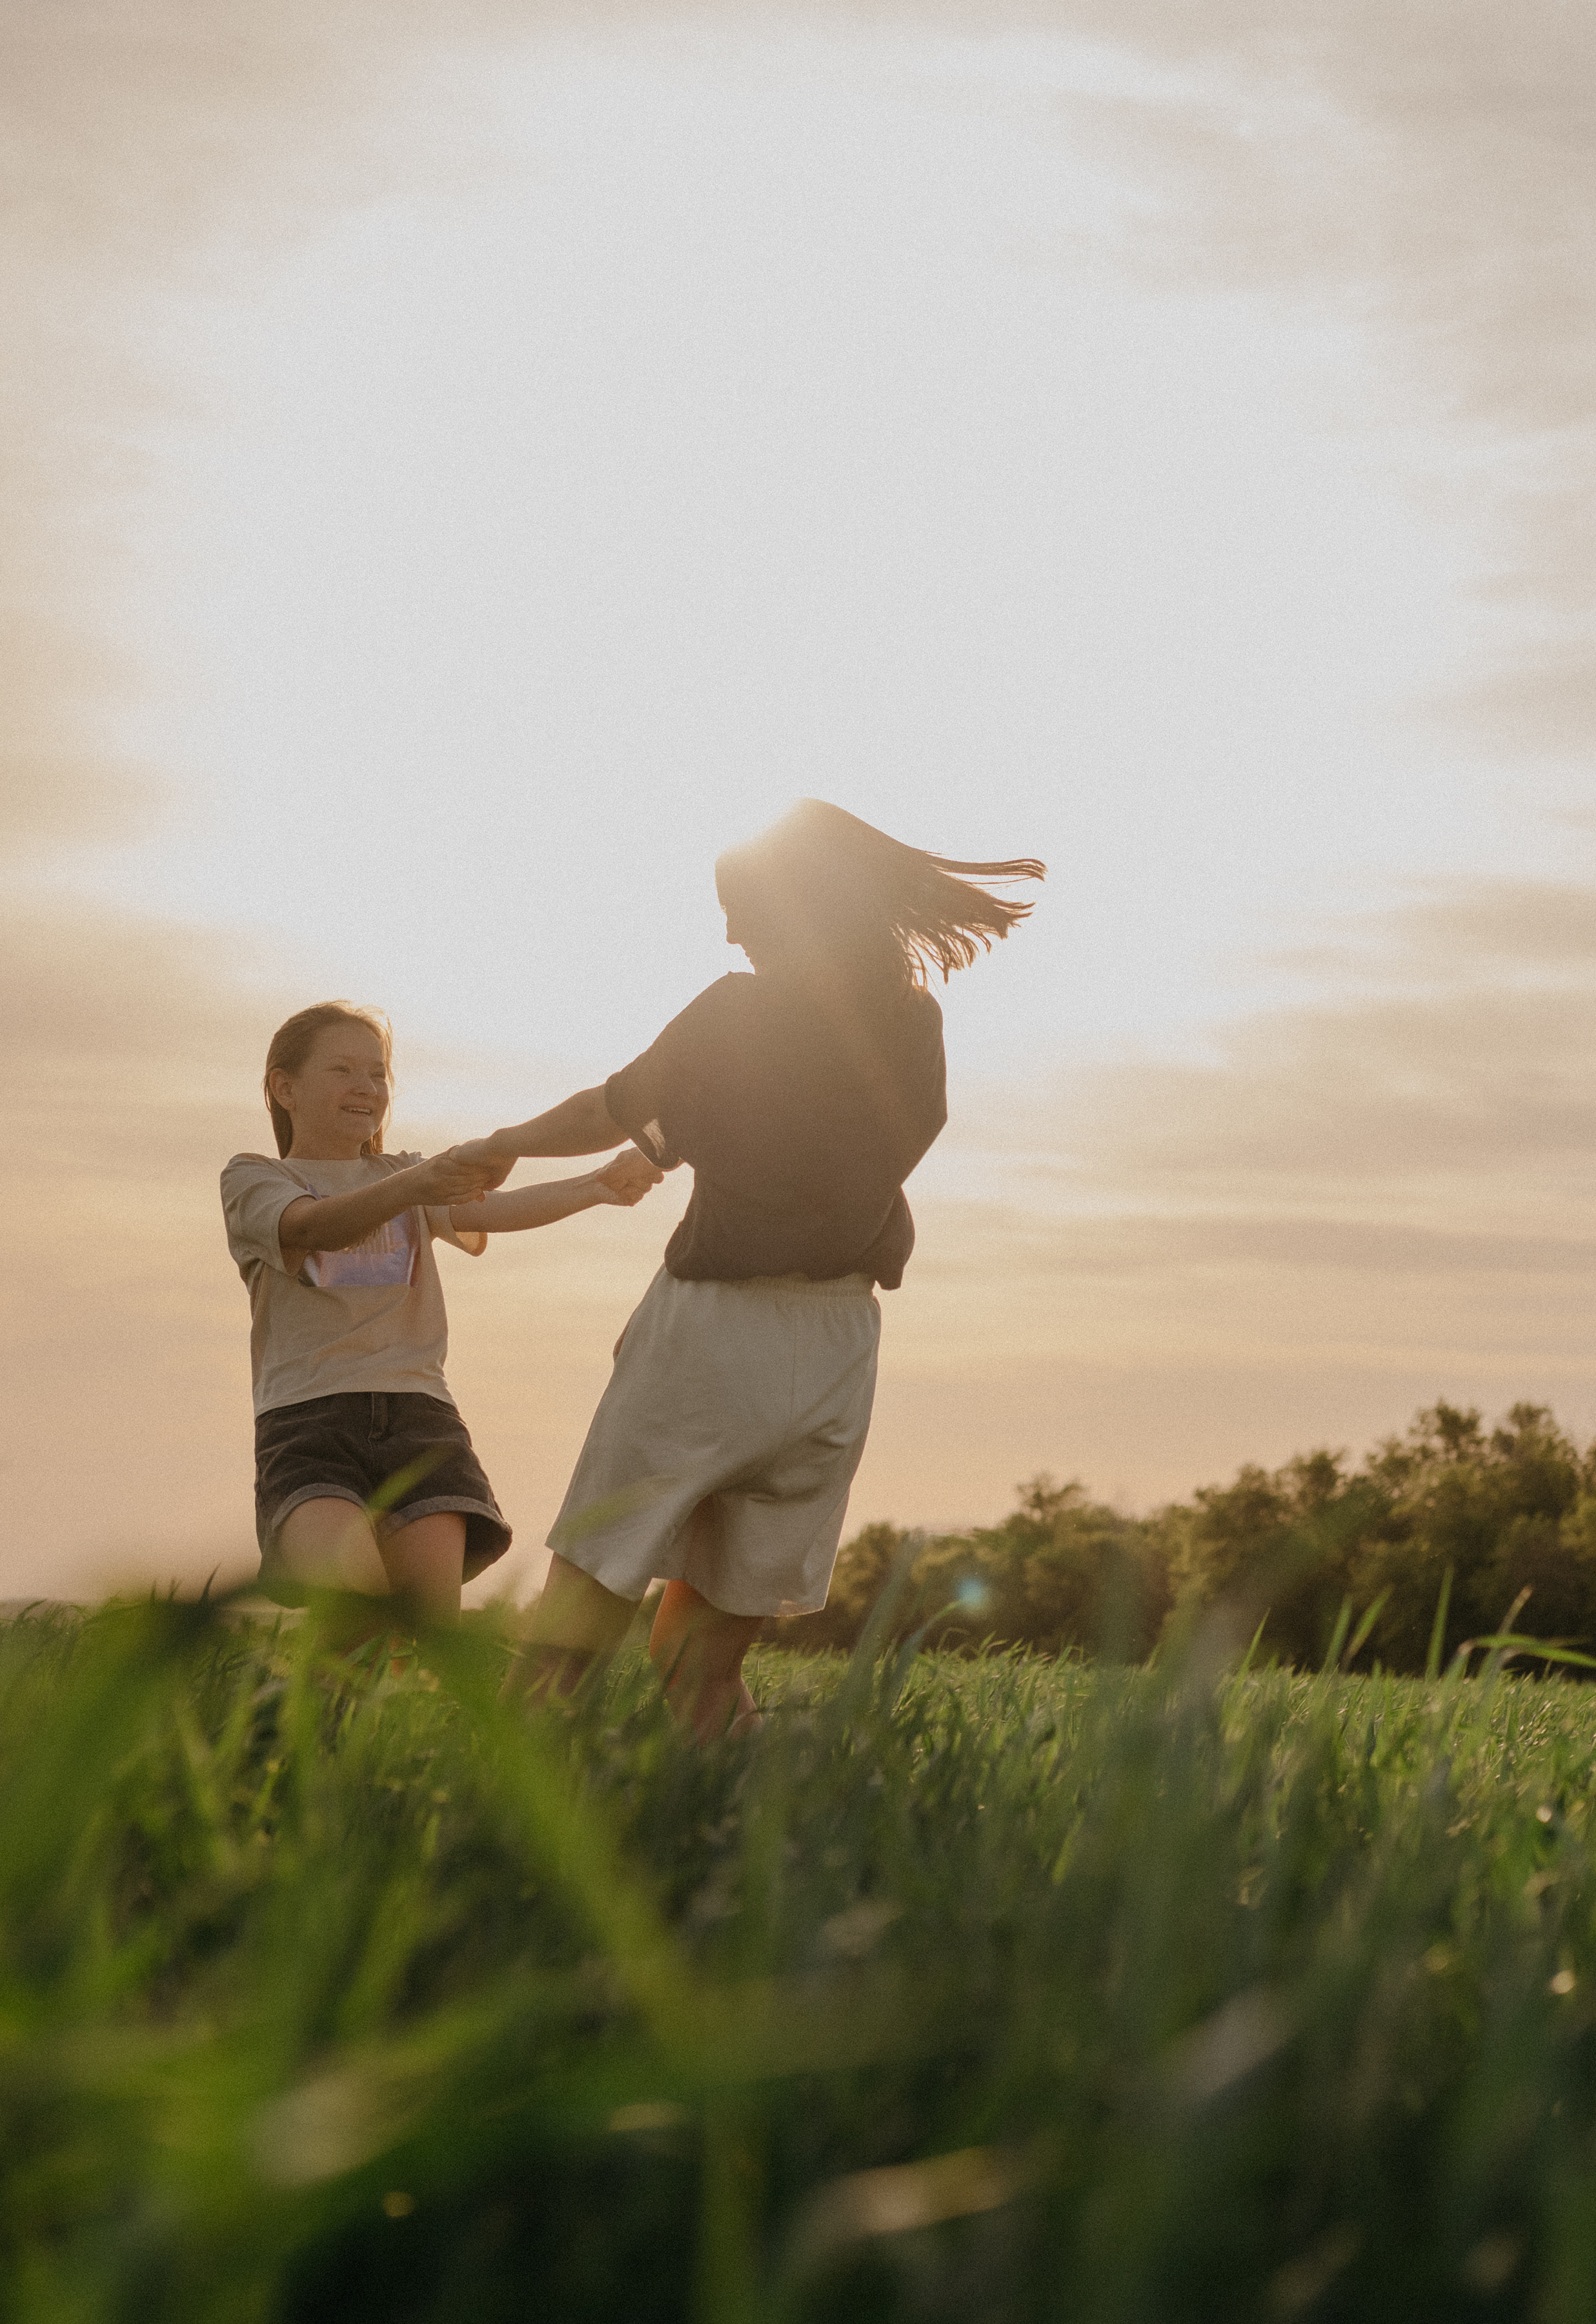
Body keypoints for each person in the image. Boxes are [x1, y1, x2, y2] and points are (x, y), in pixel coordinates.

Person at [456, 800, 1044, 1737]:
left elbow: (609, 1109)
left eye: (740, 908)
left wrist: (499, 1143)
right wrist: (697, 1131)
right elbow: (843, 1145)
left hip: (712, 1332)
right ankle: (734, 1831)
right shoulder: (913, 1022)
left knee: (575, 1623)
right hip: (840, 1348)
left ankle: (487, 1816)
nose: (729, 932)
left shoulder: (736, 1011)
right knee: (702, 1665)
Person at [221, 1002, 660, 1626]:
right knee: (357, 1613)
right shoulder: (255, 1177)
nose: (366, 1088)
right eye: (343, 1070)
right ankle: (285, 1722)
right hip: (310, 1425)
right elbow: (316, 1226)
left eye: (377, 1075)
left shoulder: (404, 1174)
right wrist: (418, 1185)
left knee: (424, 1637)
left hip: (420, 1420)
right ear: (283, 1087)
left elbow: (495, 1210)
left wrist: (594, 1185)